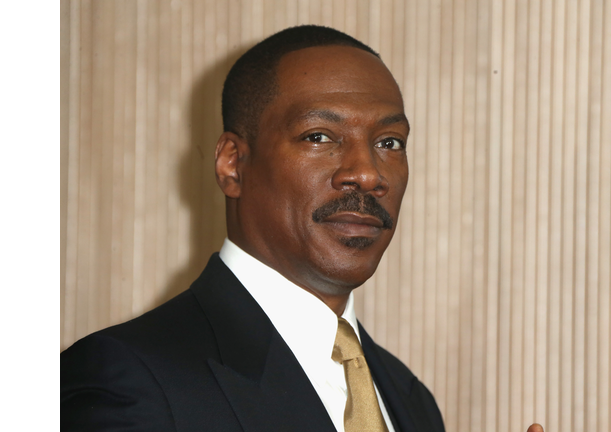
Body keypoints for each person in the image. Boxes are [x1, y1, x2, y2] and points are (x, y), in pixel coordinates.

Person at [61, 25, 544, 432]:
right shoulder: (123, 377)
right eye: (319, 137)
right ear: (233, 164)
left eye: (390, 141)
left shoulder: (408, 399)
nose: (369, 173)